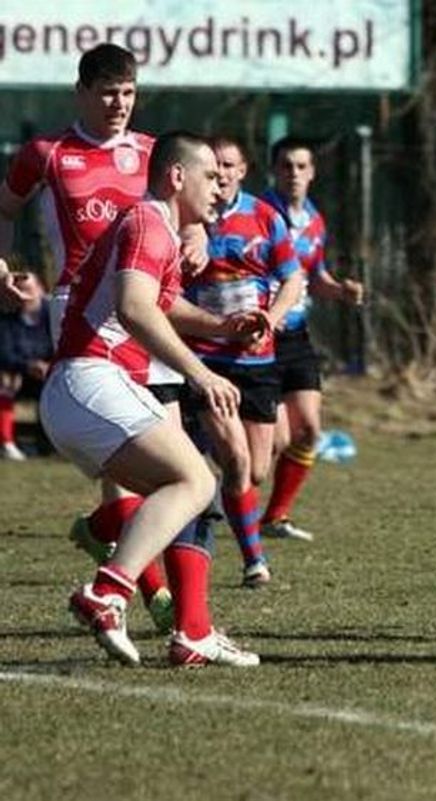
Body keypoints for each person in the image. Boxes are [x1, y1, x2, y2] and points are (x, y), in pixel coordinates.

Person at [0, 43, 202, 629]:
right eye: (109, 92)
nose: (120, 104)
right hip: (79, 311)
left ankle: (124, 564)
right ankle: (155, 595)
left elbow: (189, 222)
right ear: (82, 92)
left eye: (129, 93)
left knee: (167, 448)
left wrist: (198, 241)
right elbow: (4, 210)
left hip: (147, 306)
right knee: (122, 461)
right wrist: (4, 271)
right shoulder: (47, 153)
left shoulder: (151, 153)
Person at [44, 131, 263, 667]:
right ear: (177, 177)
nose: (220, 187)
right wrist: (199, 373)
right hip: (91, 379)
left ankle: (191, 631)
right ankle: (107, 591)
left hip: (84, 390)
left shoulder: (156, 226)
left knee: (186, 496)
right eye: (211, 176)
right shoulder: (147, 221)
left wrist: (223, 327)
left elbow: (161, 305)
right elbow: (137, 309)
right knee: (195, 481)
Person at [182, 135, 303, 588]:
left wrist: (270, 320)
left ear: (243, 170)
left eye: (229, 166)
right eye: (214, 168)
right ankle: (255, 562)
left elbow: (292, 279)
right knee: (233, 460)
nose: (223, 175)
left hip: (259, 361)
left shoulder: (264, 216)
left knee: (255, 470)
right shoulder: (189, 218)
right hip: (208, 360)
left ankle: (198, 470)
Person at [258, 136, 364, 542]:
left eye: (302, 166)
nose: (294, 174)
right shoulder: (260, 213)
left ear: (313, 172)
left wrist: (340, 291)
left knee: (308, 433)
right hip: (264, 336)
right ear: (274, 170)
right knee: (272, 440)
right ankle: (219, 507)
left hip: (298, 333)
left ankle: (275, 517)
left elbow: (312, 278)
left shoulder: (315, 221)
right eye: (286, 166)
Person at [0, 272, 52, 459]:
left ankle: (50, 444)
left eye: (28, 290)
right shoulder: (7, 317)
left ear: (41, 290)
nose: (23, 295)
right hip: (18, 375)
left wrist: (49, 366)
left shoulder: (53, 316)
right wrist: (28, 366)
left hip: (49, 373)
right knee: (6, 384)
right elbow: (4, 353)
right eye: (19, 290)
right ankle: (7, 443)